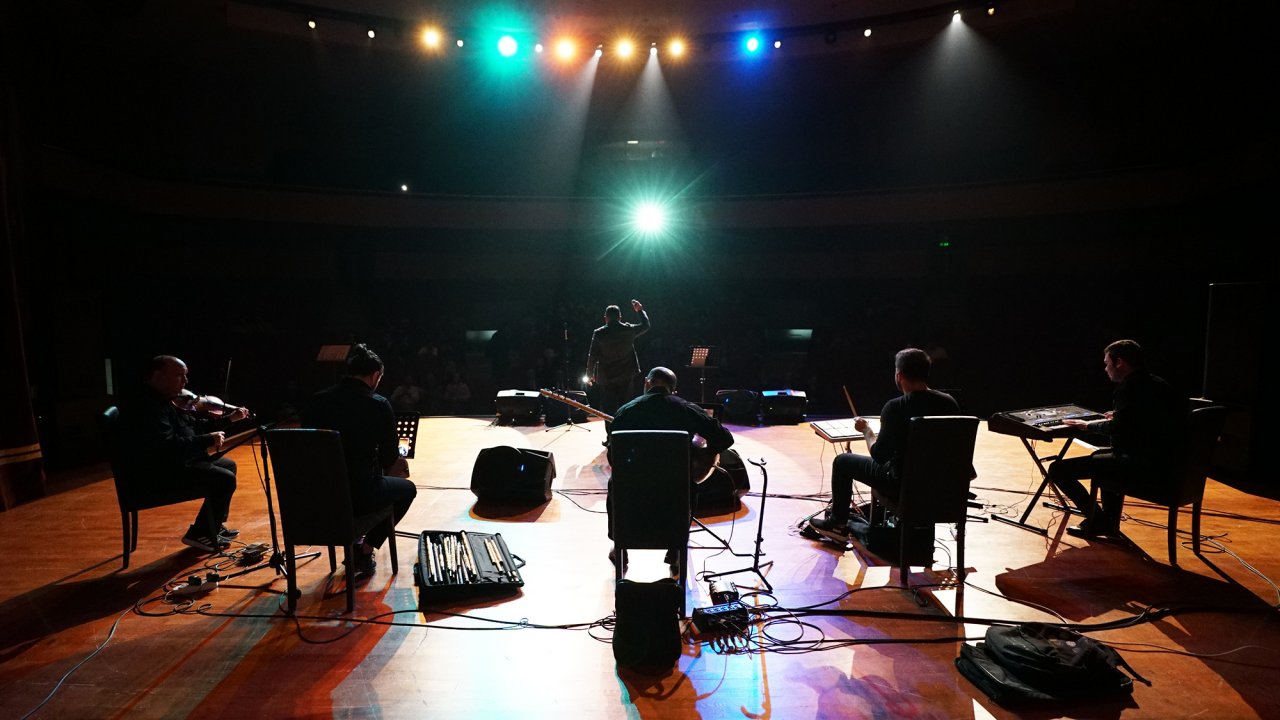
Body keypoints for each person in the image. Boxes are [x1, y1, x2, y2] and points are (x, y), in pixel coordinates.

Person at [809, 348, 961, 541]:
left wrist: (867, 431)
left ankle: (837, 524)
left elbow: (879, 456)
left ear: (899, 375)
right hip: (942, 486)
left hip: (902, 485)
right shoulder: (949, 403)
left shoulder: (895, 407)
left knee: (841, 462)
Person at [1047, 339, 1186, 538]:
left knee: (1058, 469)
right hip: (1165, 461)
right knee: (1103, 459)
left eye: (1107, 363)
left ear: (1119, 362)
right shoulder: (1157, 383)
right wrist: (1121, 415)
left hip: (1139, 463)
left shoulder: (1128, 387)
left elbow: (1119, 428)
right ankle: (1108, 523)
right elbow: (1149, 419)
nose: (1105, 369)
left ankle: (1099, 521)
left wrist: (1087, 425)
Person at [301, 344, 417, 579]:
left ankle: (358, 543)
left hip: (319, 497)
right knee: (406, 490)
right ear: (375, 375)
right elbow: (388, 459)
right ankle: (364, 548)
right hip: (360, 496)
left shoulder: (315, 402)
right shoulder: (378, 404)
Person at [116, 355, 250, 553]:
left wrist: (228, 420)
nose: (186, 382)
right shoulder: (146, 406)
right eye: (179, 376)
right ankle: (199, 534)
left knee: (228, 465)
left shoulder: (164, 399)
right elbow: (167, 447)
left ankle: (212, 526)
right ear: (157, 375)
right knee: (224, 479)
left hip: (170, 462)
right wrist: (207, 440)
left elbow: (191, 426)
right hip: (154, 474)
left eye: (185, 376)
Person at [606, 366, 734, 572]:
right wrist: (703, 455)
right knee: (689, 485)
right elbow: (726, 439)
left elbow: (614, 457)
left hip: (633, 489)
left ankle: (620, 544)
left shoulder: (626, 410)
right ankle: (676, 546)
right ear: (673, 390)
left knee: (614, 483)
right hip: (675, 489)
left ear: (647, 383)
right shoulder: (687, 409)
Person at [586, 299, 650, 421]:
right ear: (620, 317)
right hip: (626, 375)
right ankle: (623, 435)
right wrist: (640, 311)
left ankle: (610, 437)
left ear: (605, 318)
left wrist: (589, 374)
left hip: (606, 377)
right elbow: (646, 325)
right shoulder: (628, 330)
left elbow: (592, 356)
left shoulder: (599, 333)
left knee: (608, 409)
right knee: (625, 406)